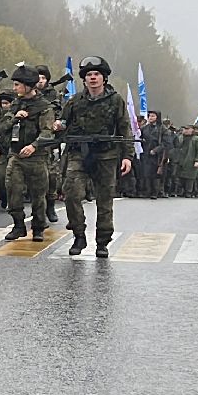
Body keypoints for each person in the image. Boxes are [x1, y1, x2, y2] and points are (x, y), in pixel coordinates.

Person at [59, 57, 133, 257]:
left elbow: (125, 128)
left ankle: (102, 242)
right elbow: (62, 124)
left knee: (105, 200)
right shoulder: (75, 101)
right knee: (72, 192)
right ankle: (78, 234)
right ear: (84, 80)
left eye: (97, 75)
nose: (93, 78)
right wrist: (57, 126)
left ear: (104, 78)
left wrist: (127, 156)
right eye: (89, 75)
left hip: (106, 155)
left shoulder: (116, 100)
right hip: (79, 153)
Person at [2, 68, 57, 241]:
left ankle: (38, 227)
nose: (15, 87)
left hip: (37, 157)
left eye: (18, 84)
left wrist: (34, 146)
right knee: (13, 191)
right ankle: (18, 225)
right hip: (16, 155)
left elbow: (48, 132)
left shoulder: (44, 106)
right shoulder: (16, 104)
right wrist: (15, 118)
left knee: (38, 195)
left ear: (28, 86)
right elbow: (3, 127)